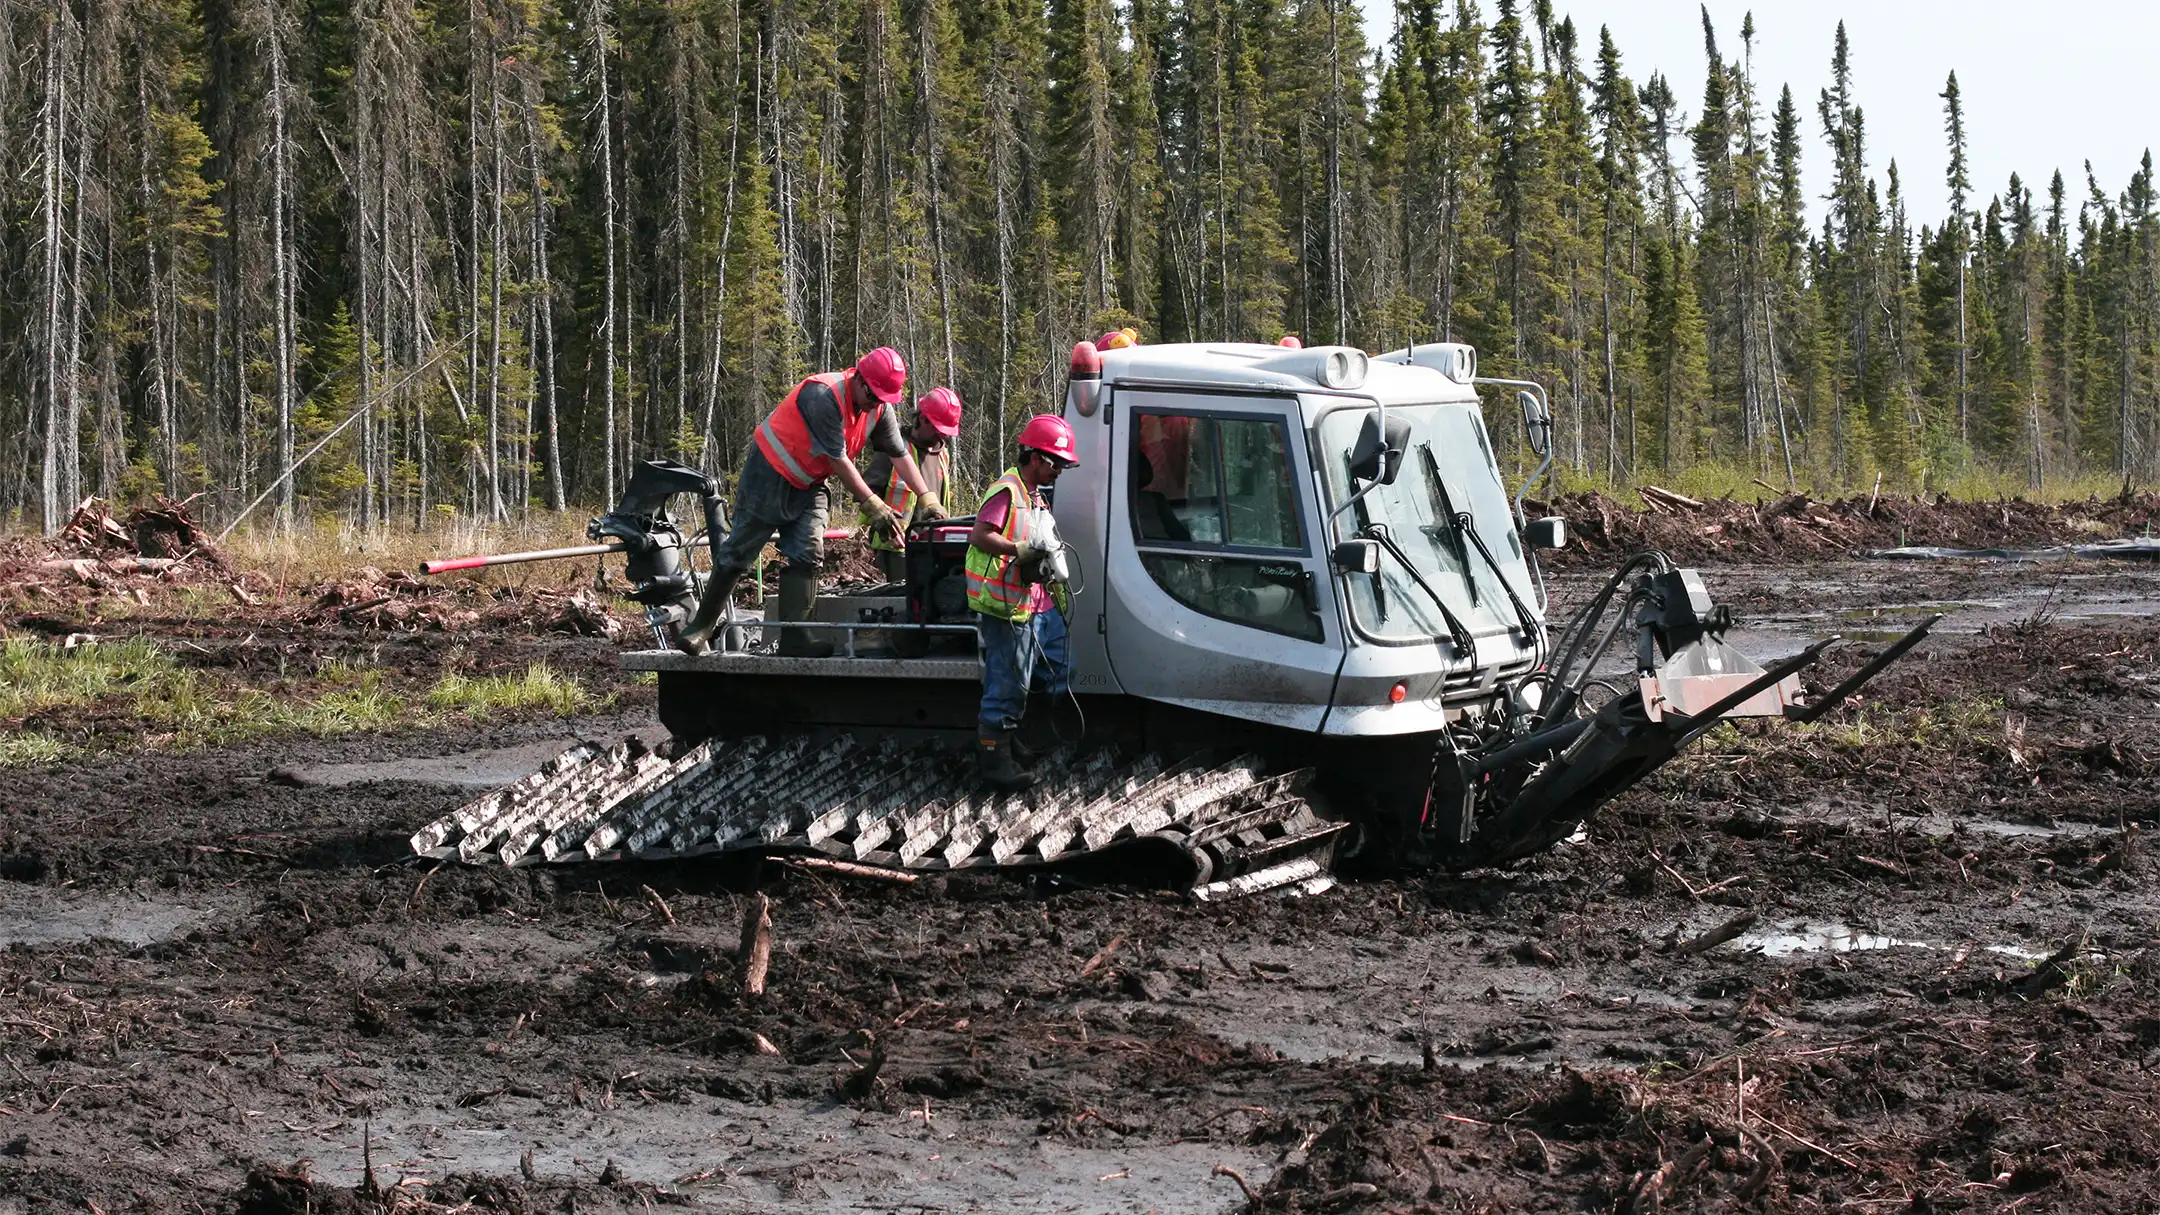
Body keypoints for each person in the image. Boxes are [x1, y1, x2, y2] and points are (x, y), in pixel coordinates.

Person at [678, 347, 947, 656]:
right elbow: (838, 460)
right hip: (768, 476)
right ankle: (701, 626)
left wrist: (927, 498)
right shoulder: (822, 396)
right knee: (739, 552)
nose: (877, 402)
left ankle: (796, 638)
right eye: (873, 395)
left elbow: (899, 455)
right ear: (858, 378)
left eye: (884, 398)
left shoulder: (879, 409)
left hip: (809, 483)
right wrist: (874, 505)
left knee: (808, 552)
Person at [966, 414, 1079, 790]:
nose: (1060, 471)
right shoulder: (1007, 491)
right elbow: (980, 535)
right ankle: (995, 761)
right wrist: (1018, 549)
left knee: (1059, 671)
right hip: (1008, 605)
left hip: (1039, 604)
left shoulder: (1035, 495)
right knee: (1008, 684)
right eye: (1056, 463)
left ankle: (1021, 739)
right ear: (1036, 457)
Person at [862, 386, 962, 583]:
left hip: (931, 547)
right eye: (938, 429)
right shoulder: (892, 447)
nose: (941, 436)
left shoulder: (942, 454)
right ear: (922, 418)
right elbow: (867, 490)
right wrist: (883, 520)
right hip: (893, 548)